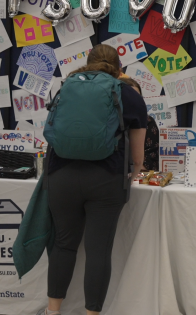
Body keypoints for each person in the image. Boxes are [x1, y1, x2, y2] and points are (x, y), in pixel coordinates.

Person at [44, 44, 147, 315]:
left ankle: (52, 311)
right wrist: (134, 173)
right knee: (98, 250)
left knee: (63, 244)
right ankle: (91, 313)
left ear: (87, 63)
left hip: (61, 175)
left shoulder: (67, 86)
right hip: (106, 178)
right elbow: (138, 157)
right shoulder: (129, 94)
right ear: (119, 68)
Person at [119, 77, 160, 171]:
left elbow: (150, 157)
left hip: (139, 174)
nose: (133, 102)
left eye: (137, 97)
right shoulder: (110, 121)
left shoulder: (148, 121)